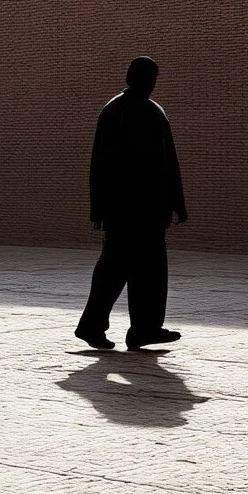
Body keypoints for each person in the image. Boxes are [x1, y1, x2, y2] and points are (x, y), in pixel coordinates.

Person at [76, 56, 188, 351]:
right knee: (122, 269)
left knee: (136, 269)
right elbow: (102, 162)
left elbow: (166, 162)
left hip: (134, 209)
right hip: (135, 209)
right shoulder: (131, 111)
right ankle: (115, 327)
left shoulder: (123, 110)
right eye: (151, 78)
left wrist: (98, 206)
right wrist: (176, 201)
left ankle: (141, 328)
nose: (153, 83)